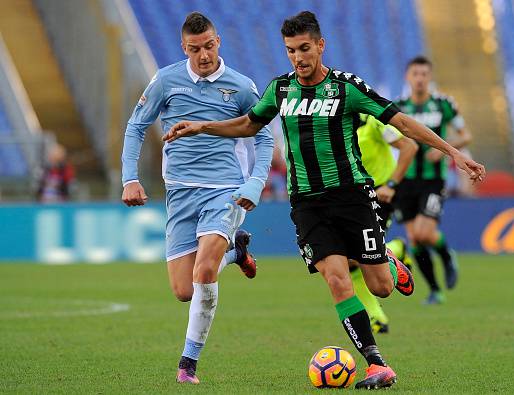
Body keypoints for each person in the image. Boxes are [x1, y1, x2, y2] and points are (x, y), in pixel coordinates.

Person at [162, 11, 485, 389]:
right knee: (336, 280)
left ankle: (387, 259)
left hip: (352, 198)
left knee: (380, 286)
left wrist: (453, 153)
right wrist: (204, 126)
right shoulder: (281, 90)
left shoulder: (346, 88)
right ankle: (375, 364)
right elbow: (250, 123)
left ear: (320, 45)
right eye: (290, 51)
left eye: (304, 49)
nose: (298, 58)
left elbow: (401, 122)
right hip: (307, 205)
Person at [120, 12, 273, 384]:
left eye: (208, 46)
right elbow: (137, 126)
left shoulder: (240, 86)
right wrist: (129, 178)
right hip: (180, 193)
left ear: (217, 41)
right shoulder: (166, 80)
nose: (203, 55)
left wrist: (254, 182)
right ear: (183, 48)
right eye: (194, 49)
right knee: (184, 290)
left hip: (224, 190)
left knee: (204, 270)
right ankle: (236, 252)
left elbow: (264, 136)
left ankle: (187, 365)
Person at [394, 56, 473, 305]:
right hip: (404, 179)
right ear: (408, 77)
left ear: (430, 77)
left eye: (424, 74)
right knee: (414, 239)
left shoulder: (443, 104)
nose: (420, 79)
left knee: (424, 232)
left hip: (432, 181)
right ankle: (435, 290)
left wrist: (444, 149)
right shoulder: (398, 106)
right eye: (415, 74)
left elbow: (466, 135)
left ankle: (447, 256)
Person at [352, 114, 418, 334]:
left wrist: (391, 184)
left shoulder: (372, 121)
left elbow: (409, 147)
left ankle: (375, 316)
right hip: (351, 197)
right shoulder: (330, 121)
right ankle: (397, 249)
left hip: (380, 195)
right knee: (351, 260)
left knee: (358, 256)